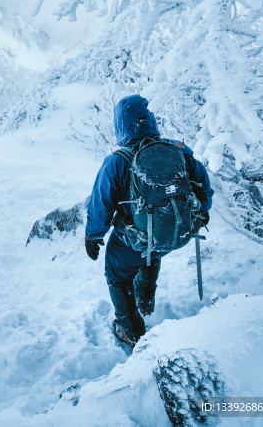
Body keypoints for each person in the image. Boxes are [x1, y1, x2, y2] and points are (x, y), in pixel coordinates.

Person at [83, 94, 213, 348]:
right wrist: (203, 212)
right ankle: (145, 301)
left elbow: (101, 205)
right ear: (151, 118)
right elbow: (203, 185)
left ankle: (131, 332)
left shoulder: (117, 161)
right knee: (152, 253)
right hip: (177, 233)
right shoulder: (177, 149)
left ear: (120, 124)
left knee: (118, 276)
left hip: (135, 239)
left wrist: (93, 236)